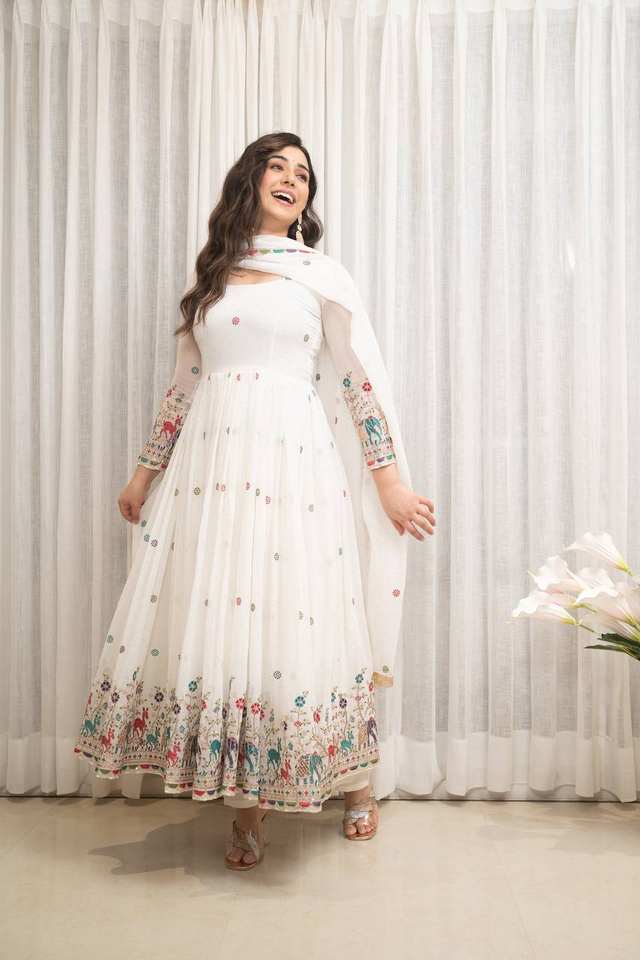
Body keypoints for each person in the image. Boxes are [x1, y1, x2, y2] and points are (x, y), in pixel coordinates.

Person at [73, 132, 436, 871]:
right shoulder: (213, 277)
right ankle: (247, 805)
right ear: (251, 180)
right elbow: (182, 390)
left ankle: (355, 783)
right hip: (212, 474)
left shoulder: (320, 277)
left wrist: (389, 481)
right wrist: (143, 475)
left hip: (293, 468)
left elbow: (358, 383)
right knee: (229, 625)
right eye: (278, 166)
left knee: (300, 614)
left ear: (307, 200)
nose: (291, 179)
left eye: (303, 174)